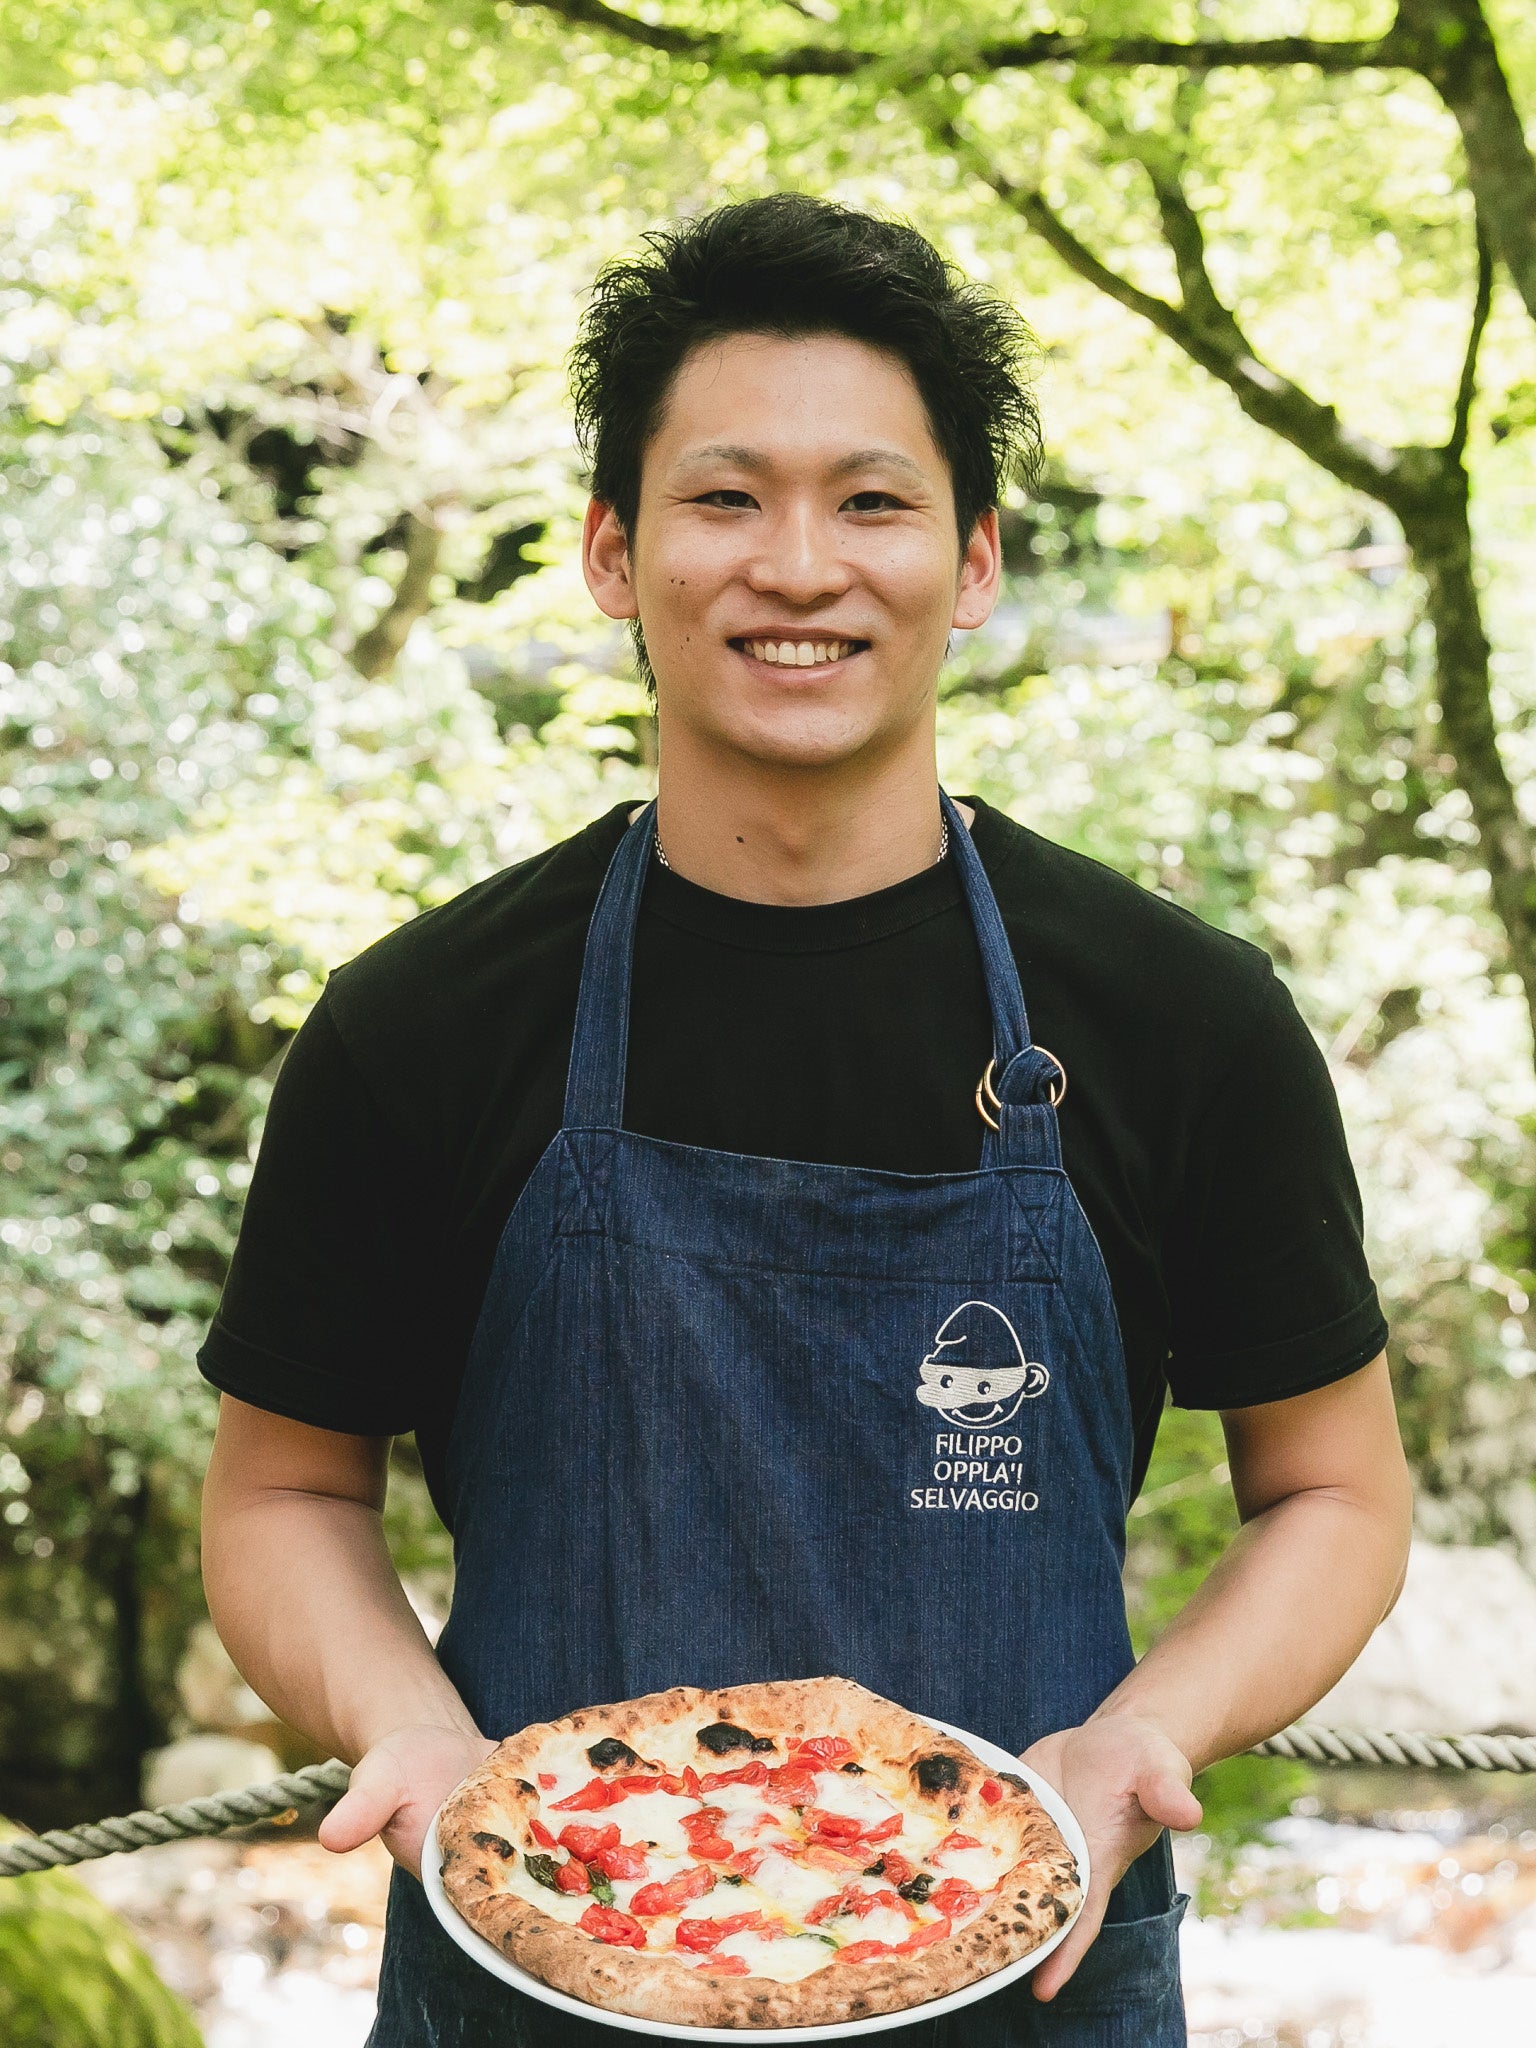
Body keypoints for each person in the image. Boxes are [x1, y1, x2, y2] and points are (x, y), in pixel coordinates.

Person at [198, 195, 1413, 2046]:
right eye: (721, 498)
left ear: (974, 557)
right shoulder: (423, 1025)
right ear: (612, 554)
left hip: (1042, 1958)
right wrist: (412, 1734)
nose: (798, 566)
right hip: (541, 1955)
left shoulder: (1178, 1015)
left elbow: (1335, 1488)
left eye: (870, 500)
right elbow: (283, 1493)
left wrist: (1152, 1724)